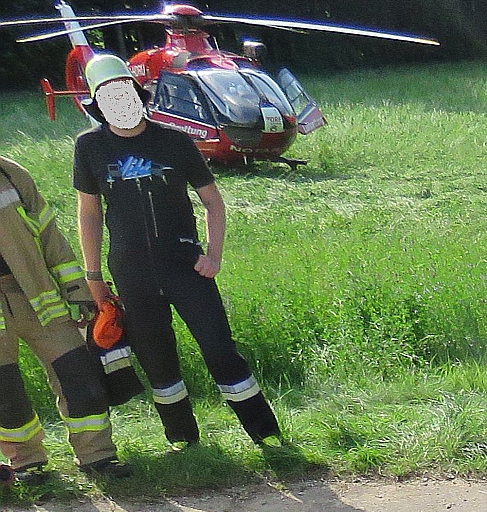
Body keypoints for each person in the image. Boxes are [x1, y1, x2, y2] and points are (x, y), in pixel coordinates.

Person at [72, 55, 282, 449]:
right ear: (97, 105)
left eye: (125, 92)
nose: (119, 102)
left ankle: (265, 434)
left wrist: (214, 255)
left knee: (219, 348)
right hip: (131, 272)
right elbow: (88, 212)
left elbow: (213, 203)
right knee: (157, 358)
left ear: (139, 93)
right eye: (109, 96)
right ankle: (183, 440)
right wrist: (93, 275)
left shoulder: (174, 139)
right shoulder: (89, 146)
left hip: (185, 266)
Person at [0, 151, 129, 484]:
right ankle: (27, 463)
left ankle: (97, 457)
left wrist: (76, 290)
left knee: (78, 373)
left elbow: (49, 236)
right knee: (4, 390)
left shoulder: (10, 174)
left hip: (35, 293)